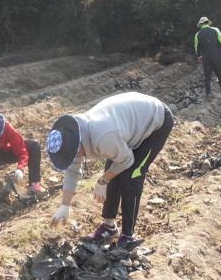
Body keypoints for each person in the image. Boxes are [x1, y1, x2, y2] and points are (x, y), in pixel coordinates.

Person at [47, 92, 174, 246]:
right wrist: (65, 205)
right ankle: (109, 227)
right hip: (125, 127)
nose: (72, 159)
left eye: (71, 156)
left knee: (132, 175)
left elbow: (127, 161)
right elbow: (72, 172)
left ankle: (128, 236)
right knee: (111, 171)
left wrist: (102, 180)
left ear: (77, 146)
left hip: (155, 120)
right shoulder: (73, 139)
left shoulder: (103, 137)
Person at [194, 16, 221, 97]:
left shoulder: (198, 34)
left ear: (201, 24)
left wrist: (199, 56)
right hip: (217, 57)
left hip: (206, 58)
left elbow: (197, 48)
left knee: (207, 77)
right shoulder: (216, 30)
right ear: (208, 23)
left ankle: (208, 93)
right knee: (220, 75)